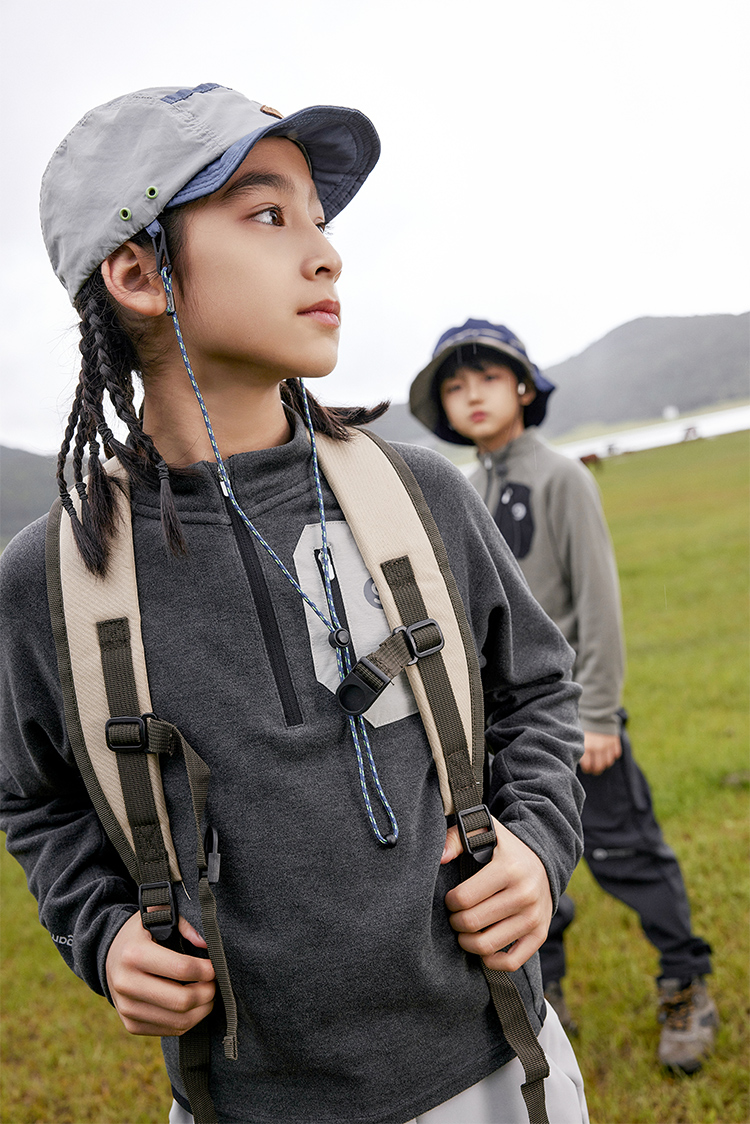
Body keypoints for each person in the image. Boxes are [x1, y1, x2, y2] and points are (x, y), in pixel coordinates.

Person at [0, 88, 589, 1124]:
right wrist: (103, 932)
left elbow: (537, 691)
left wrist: (536, 844)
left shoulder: (419, 495)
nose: (327, 255)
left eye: (320, 219)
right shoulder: (54, 576)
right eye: (270, 215)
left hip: (496, 1067)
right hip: (244, 1101)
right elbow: (34, 798)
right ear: (138, 274)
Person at [408, 319, 719, 1074]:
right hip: (502, 732)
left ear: (523, 387)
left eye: (487, 377)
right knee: (522, 855)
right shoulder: (462, 491)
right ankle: (547, 995)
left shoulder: (562, 479)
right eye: (455, 385)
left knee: (626, 852)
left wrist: (599, 715)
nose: (472, 395)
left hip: (573, 717)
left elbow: (598, 605)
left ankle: (685, 984)